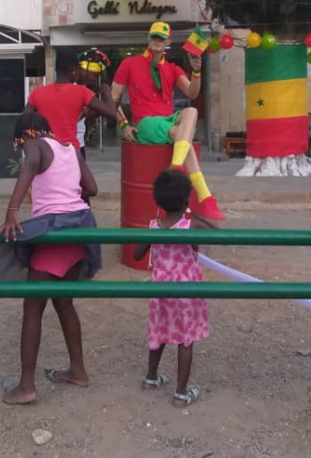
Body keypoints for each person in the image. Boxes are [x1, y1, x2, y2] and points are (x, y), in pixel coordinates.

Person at [0, 112, 101, 406]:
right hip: (79, 230)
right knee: (64, 303)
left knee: (33, 308)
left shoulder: (35, 143)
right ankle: (78, 371)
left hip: (54, 232)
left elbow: (32, 164)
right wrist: (66, 188)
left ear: (25, 135)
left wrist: (12, 210)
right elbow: (92, 188)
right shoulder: (70, 149)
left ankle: (26, 386)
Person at [111, 22, 224, 221]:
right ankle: (204, 195)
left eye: (161, 38)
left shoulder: (172, 69)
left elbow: (192, 93)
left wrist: (196, 71)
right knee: (181, 135)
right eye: (154, 37)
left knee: (191, 111)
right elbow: (113, 98)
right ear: (148, 38)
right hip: (145, 123)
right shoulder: (130, 64)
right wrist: (124, 124)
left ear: (168, 42)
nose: (157, 41)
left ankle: (177, 167)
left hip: (168, 120)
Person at [133, 169, 216, 408]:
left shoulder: (154, 226)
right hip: (187, 291)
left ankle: (151, 378)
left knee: (159, 332)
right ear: (186, 199)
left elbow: (137, 254)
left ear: (158, 200)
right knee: (185, 340)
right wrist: (197, 215)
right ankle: (181, 393)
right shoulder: (192, 226)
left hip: (160, 290)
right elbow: (219, 235)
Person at [24, 50, 117, 152]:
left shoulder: (37, 92)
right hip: (71, 151)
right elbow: (112, 112)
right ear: (73, 70)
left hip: (47, 151)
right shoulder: (81, 92)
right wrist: (107, 92)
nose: (94, 79)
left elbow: (24, 122)